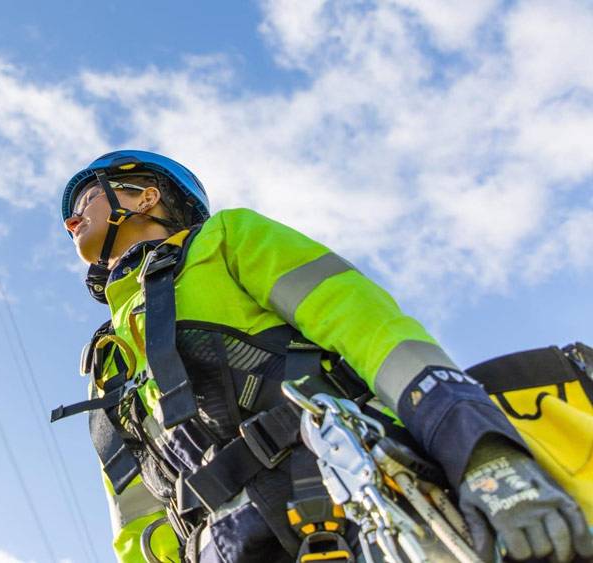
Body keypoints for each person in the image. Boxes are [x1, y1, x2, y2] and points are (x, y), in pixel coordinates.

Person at [52, 150, 593, 562]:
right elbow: (136, 523)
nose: (72, 222)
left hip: (352, 514)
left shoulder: (226, 240)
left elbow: (371, 330)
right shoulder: (106, 365)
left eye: (84, 203)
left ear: (144, 196)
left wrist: (483, 453)